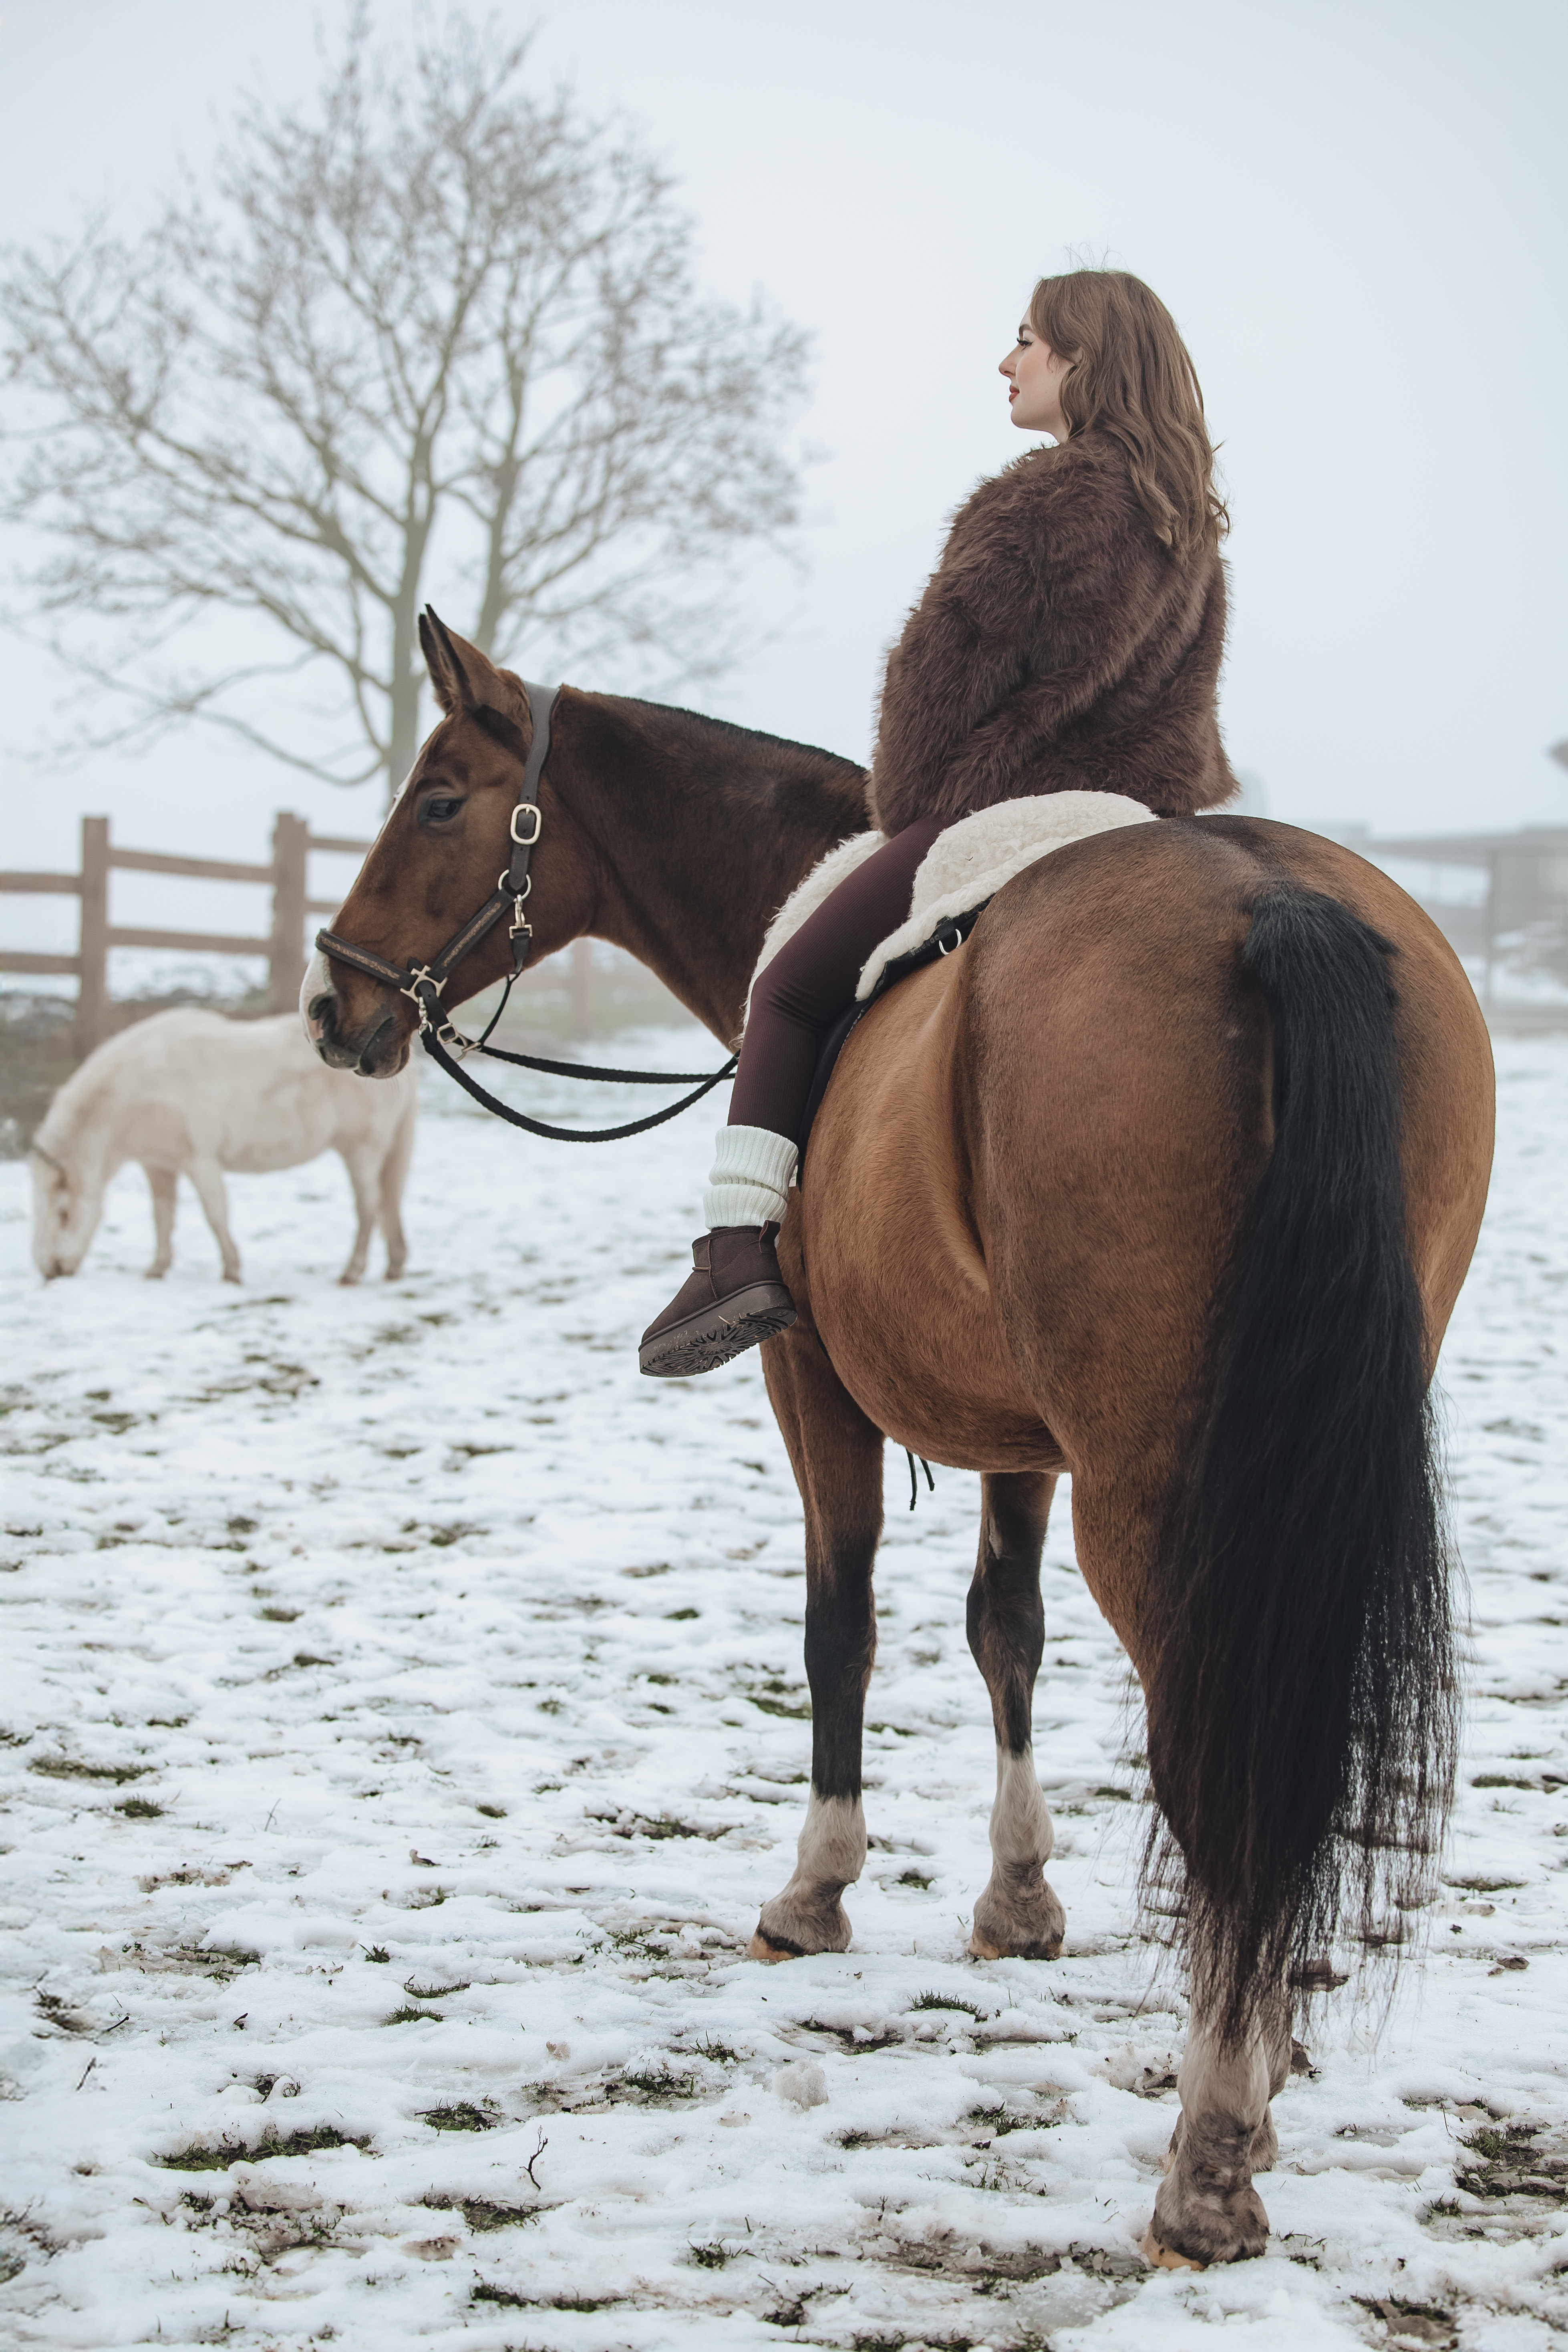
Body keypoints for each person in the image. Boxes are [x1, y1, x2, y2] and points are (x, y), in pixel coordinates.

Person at [639, 267, 1238, 1379]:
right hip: (1126, 822)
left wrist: (908, 801)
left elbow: (938, 685)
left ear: (1083, 361)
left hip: (1004, 818)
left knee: (787, 988)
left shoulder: (1042, 502)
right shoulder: (1185, 524)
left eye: (1027, 340)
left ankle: (732, 1253)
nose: (1006, 362)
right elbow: (1185, 717)